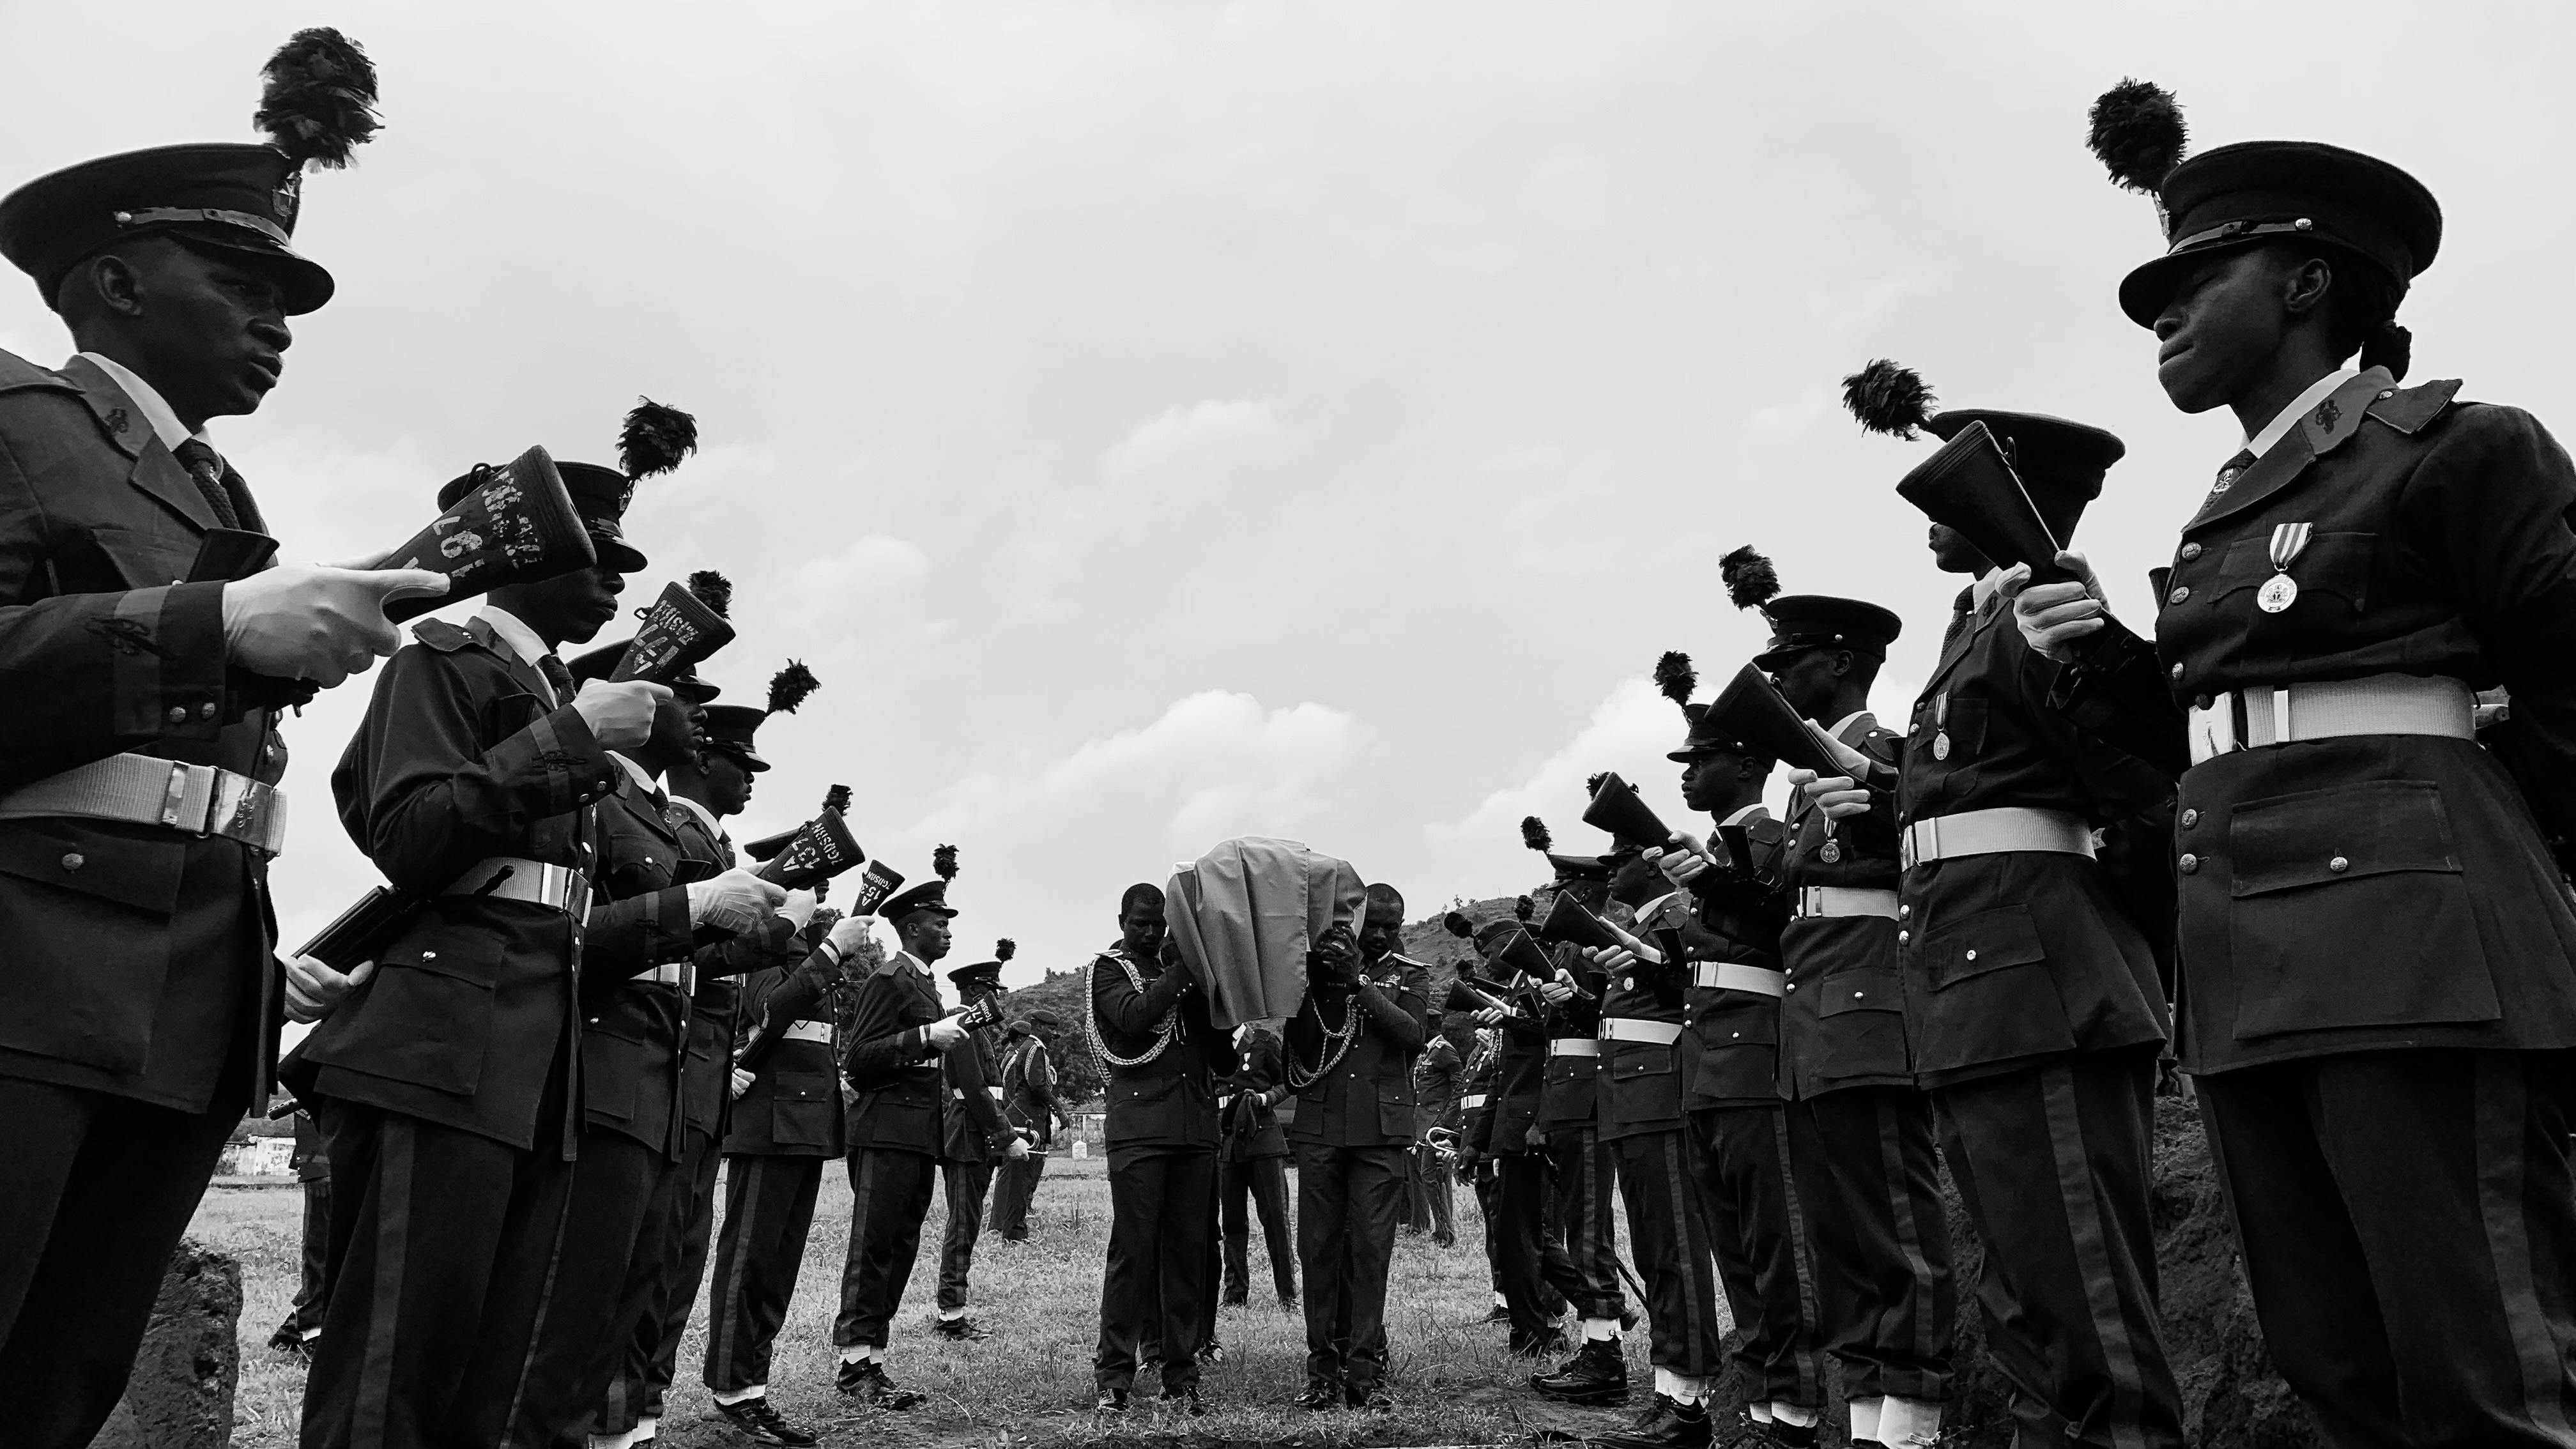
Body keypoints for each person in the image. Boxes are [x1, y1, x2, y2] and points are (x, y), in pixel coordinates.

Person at [2003, 89, 2576, 1441]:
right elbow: (2216, 740)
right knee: (2336, 1364)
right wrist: (2105, 661)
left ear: (2310, 280)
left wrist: (2523, 887)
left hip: (2420, 949)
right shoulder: (2217, 519)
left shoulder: (2455, 445)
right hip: (2253, 964)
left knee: (2479, 1365)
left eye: (2198, 278)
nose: (2162, 315)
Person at [0, 33, 446, 1445]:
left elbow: (165, 702)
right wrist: (219, 628)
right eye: (242, 286)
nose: (279, 324)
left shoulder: (208, 480)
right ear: (118, 283)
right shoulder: (14, 421)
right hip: (30, 978)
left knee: (59, 1385)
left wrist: (310, 623)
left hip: (188, 990)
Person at [1836, 362, 2185, 1445]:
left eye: (1952, 493)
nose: (1930, 517)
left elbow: (2141, 774)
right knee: (2024, 1299)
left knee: (2086, 1309)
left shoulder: (2048, 612)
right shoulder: (1970, 630)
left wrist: (2080, 647)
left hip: (2043, 987)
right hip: (1976, 986)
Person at [1739, 567, 1958, 1447]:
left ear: (1840, 663)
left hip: (1871, 1008)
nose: (1778, 681)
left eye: (1789, 663)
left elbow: (1928, 863)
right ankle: (1870, 1411)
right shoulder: (1801, 789)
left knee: (1894, 1222)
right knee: (1840, 1230)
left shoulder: (1896, 754)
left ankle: (1912, 1417)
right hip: (1816, 1021)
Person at [609, 660, 820, 1448]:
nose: (751, 778)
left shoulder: (704, 833)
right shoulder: (685, 831)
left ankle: (641, 1416)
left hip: (693, 1074)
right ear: (701, 759)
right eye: (740, 762)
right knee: (648, 1259)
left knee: (674, 1258)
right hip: (669, 1066)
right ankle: (623, 1418)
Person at [1644, 659, 1829, 1446]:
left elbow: (1769, 938)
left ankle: (1797, 1410)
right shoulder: (1719, 853)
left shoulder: (1768, 838)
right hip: (1709, 1071)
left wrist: (1700, 903)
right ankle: (1758, 1408)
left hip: (1756, 1064)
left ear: (1748, 762)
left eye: (1703, 760)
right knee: (1738, 1255)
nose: (1689, 776)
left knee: (1778, 1249)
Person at [1585, 827, 1728, 1449]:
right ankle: (1670, 1391)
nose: (1611, 869)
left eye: (1621, 858)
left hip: (1663, 1102)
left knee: (1675, 1253)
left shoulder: (1676, 915)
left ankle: (1691, 1404)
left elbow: (1689, 997)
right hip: (1631, 1104)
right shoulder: (1643, 926)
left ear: (1650, 864)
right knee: (1654, 1253)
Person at [706, 906, 868, 1444]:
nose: (820, 897)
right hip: (766, 1125)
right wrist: (831, 952)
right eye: (810, 886)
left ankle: (754, 1387)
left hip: (804, 1124)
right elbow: (772, 1009)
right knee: (748, 1263)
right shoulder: (763, 944)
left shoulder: (805, 950)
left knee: (778, 1269)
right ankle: (732, 1390)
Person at [832, 855, 975, 1409]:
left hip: (918, 1135)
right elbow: (858, 1059)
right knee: (873, 1248)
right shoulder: (888, 980)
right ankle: (852, 1364)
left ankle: (872, 1358)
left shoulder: (925, 985)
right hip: (884, 1131)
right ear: (912, 926)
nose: (947, 931)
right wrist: (923, 1039)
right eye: (939, 922)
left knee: (900, 1248)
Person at [1089, 882, 1238, 1413]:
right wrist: (1187, 969)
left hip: (1195, 1132)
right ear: (1123, 920)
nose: (1150, 933)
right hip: (1140, 1132)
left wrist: (1224, 1004)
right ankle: (1114, 1375)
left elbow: (1223, 1062)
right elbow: (1132, 1018)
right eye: (1141, 923)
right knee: (1133, 1252)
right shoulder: (1106, 971)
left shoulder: (1192, 979)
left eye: (1160, 924)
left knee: (1188, 1256)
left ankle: (1181, 1372)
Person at [1283, 883, 1430, 1410]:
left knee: (1371, 1252)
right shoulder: (1315, 972)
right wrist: (1314, 977)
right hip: (1321, 1127)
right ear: (1355, 921)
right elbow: (1299, 1045)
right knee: (1318, 1251)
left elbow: (1413, 1035)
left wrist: (1356, 983)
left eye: (1395, 925)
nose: (1385, 934)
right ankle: (1321, 1371)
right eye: (1377, 925)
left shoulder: (1411, 974)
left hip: (1380, 1133)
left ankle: (1365, 1373)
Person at [1519, 843, 1633, 1407]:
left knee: (1588, 1229)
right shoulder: (1569, 945)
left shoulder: (1601, 942)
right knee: (1578, 1226)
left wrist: (1582, 998)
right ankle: (1598, 1341)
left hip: (1589, 1097)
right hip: (1567, 1098)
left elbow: (1610, 1016)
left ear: (1589, 891)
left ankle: (1604, 1351)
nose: (1555, 895)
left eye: (1565, 886)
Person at [1466, 913, 1564, 1356]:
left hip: (1536, 1133)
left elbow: (1554, 1060)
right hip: (1511, 1132)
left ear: (1510, 945)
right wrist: (1476, 1142)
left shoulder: (1541, 987)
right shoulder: (1513, 995)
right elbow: (1500, 1080)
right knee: (1512, 1238)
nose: (1485, 965)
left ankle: (1551, 1321)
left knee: (1538, 1233)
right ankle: (1527, 1329)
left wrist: (1542, 1123)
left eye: (1488, 955)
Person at [933, 950, 1031, 1340]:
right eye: (993, 991)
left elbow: (990, 1090)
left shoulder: (979, 1030)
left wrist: (1008, 1130)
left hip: (977, 1135)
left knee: (968, 1223)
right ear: (976, 991)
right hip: (966, 1136)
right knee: (962, 1224)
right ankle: (950, 1315)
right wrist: (1006, 1137)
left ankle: (953, 1310)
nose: (1000, 1000)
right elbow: (973, 1090)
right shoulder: (962, 1026)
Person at [1216, 1049, 1296, 1309]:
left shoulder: (1263, 1044)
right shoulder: (1212, 1046)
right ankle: (1234, 1294)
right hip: (1228, 1145)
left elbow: (1290, 1081)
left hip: (1263, 1142)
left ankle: (1287, 1294)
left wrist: (1266, 1098)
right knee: (1232, 1223)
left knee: (1275, 1219)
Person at [990, 1009, 1071, 1240]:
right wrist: (1060, 1109)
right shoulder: (1033, 1049)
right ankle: (1013, 1233)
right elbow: (1037, 1086)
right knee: (1019, 1179)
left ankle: (1013, 1228)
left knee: (1021, 1180)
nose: (1053, 1034)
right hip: (1026, 1120)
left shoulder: (1033, 1049)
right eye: (1050, 1029)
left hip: (1028, 1118)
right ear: (1037, 1026)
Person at [266, 1100, 332, 1360]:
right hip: (328, 1159)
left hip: (370, 1151)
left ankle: (294, 1329)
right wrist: (315, 1164)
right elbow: (305, 1099)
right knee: (323, 1241)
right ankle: (311, 1330)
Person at [1407, 1012, 1462, 1247]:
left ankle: (1446, 1234)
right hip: (1423, 1125)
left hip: (1437, 1127)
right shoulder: (1425, 1052)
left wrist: (1446, 1123)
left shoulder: (1444, 1050)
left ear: (1428, 1027)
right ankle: (1440, 1230)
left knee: (1434, 1177)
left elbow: (1460, 1086)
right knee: (1429, 1177)